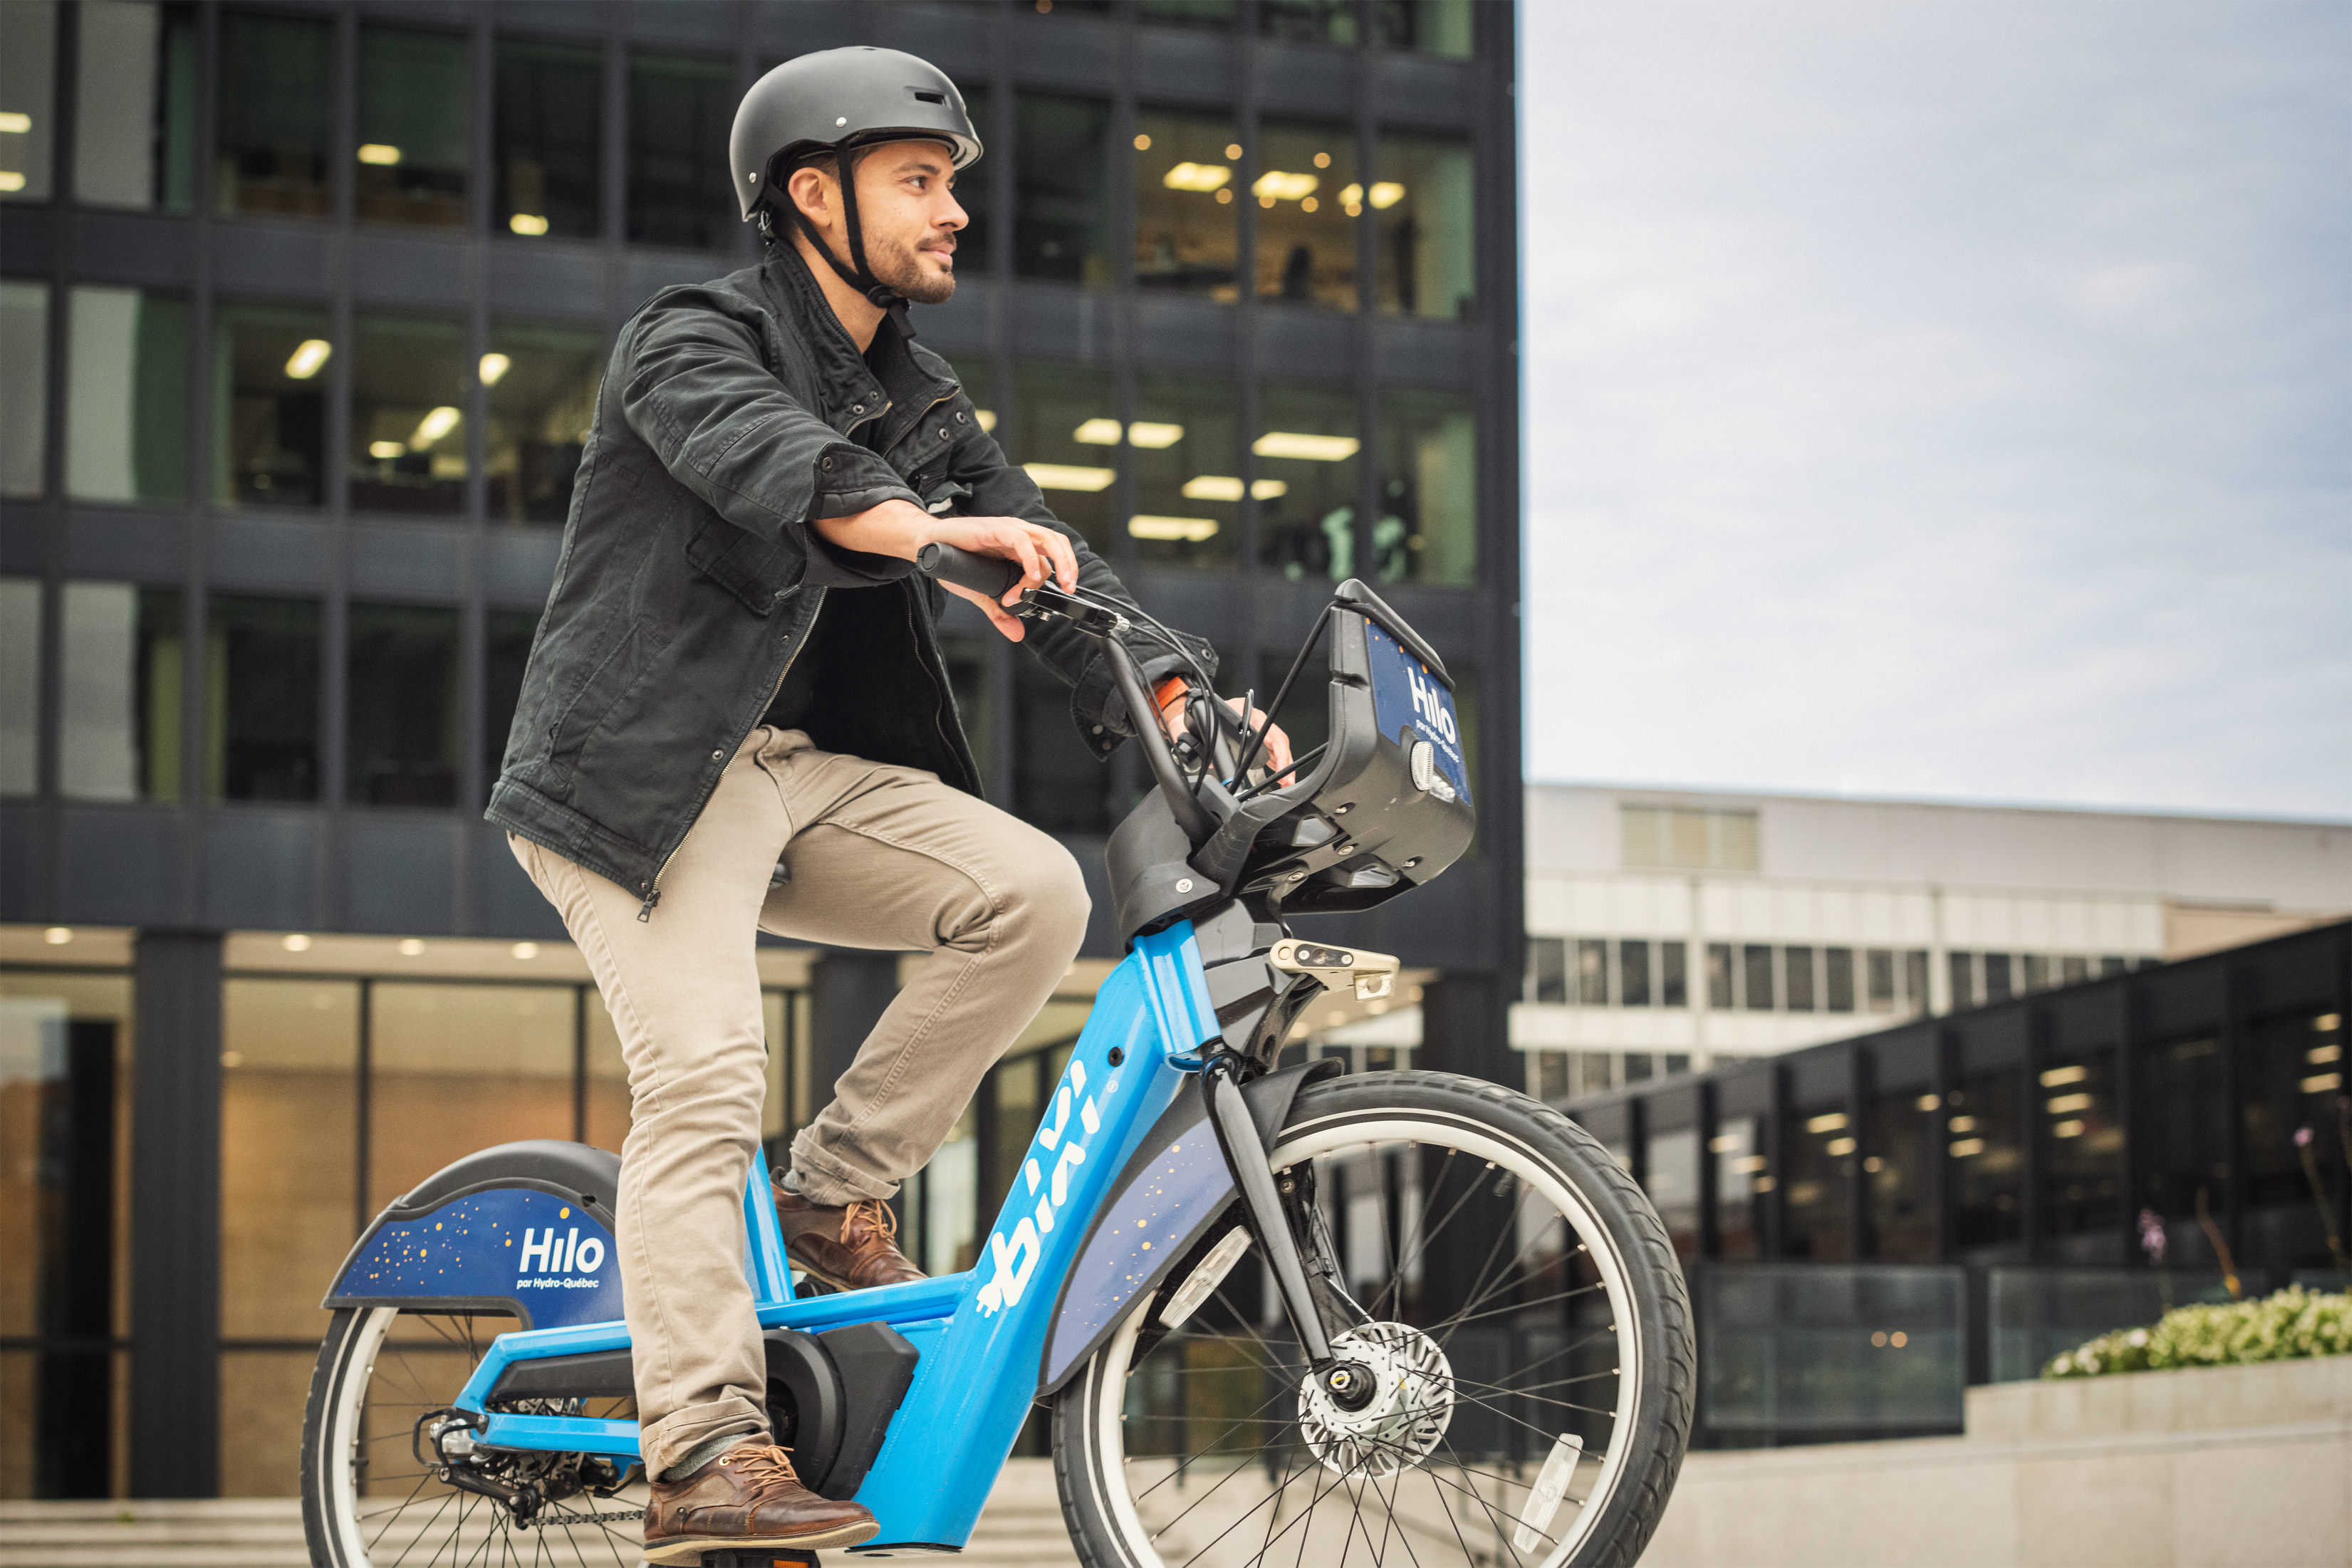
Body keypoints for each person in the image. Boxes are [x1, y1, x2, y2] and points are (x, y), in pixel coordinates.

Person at [484, 46, 1286, 1563]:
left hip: (800, 777)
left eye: (954, 186)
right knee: (708, 1080)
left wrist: (1184, 695)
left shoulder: (918, 396)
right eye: (920, 182)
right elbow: (774, 459)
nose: (953, 212)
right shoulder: (687, 336)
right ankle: (705, 1452)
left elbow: (1053, 565)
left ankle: (831, 1194)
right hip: (647, 778)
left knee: (1033, 893)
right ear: (812, 193)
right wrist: (923, 530)